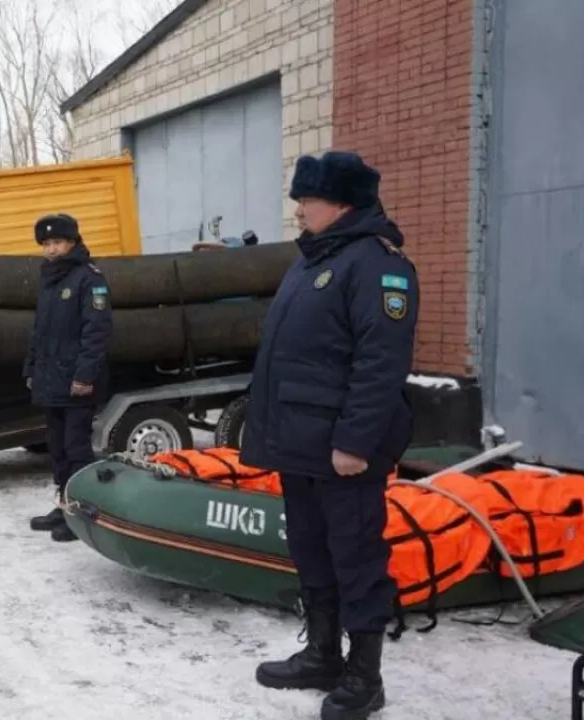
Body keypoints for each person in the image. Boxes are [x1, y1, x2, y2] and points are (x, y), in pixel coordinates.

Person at [240, 151, 418, 720]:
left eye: (306, 200)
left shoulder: (378, 265)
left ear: (341, 204)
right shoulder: (315, 259)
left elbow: (380, 363)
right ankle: (322, 654)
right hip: (301, 443)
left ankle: (365, 678)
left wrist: (356, 443)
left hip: (343, 450)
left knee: (357, 556)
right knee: (311, 550)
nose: (297, 210)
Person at [23, 213, 113, 543]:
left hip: (77, 384)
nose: (51, 249)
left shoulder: (89, 279)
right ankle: (63, 505)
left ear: (72, 243)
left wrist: (85, 376)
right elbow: (39, 332)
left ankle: (81, 513)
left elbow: (97, 333)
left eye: (57, 243)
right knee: (57, 448)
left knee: (76, 448)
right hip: (52, 382)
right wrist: (31, 369)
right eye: (46, 244)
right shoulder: (50, 280)